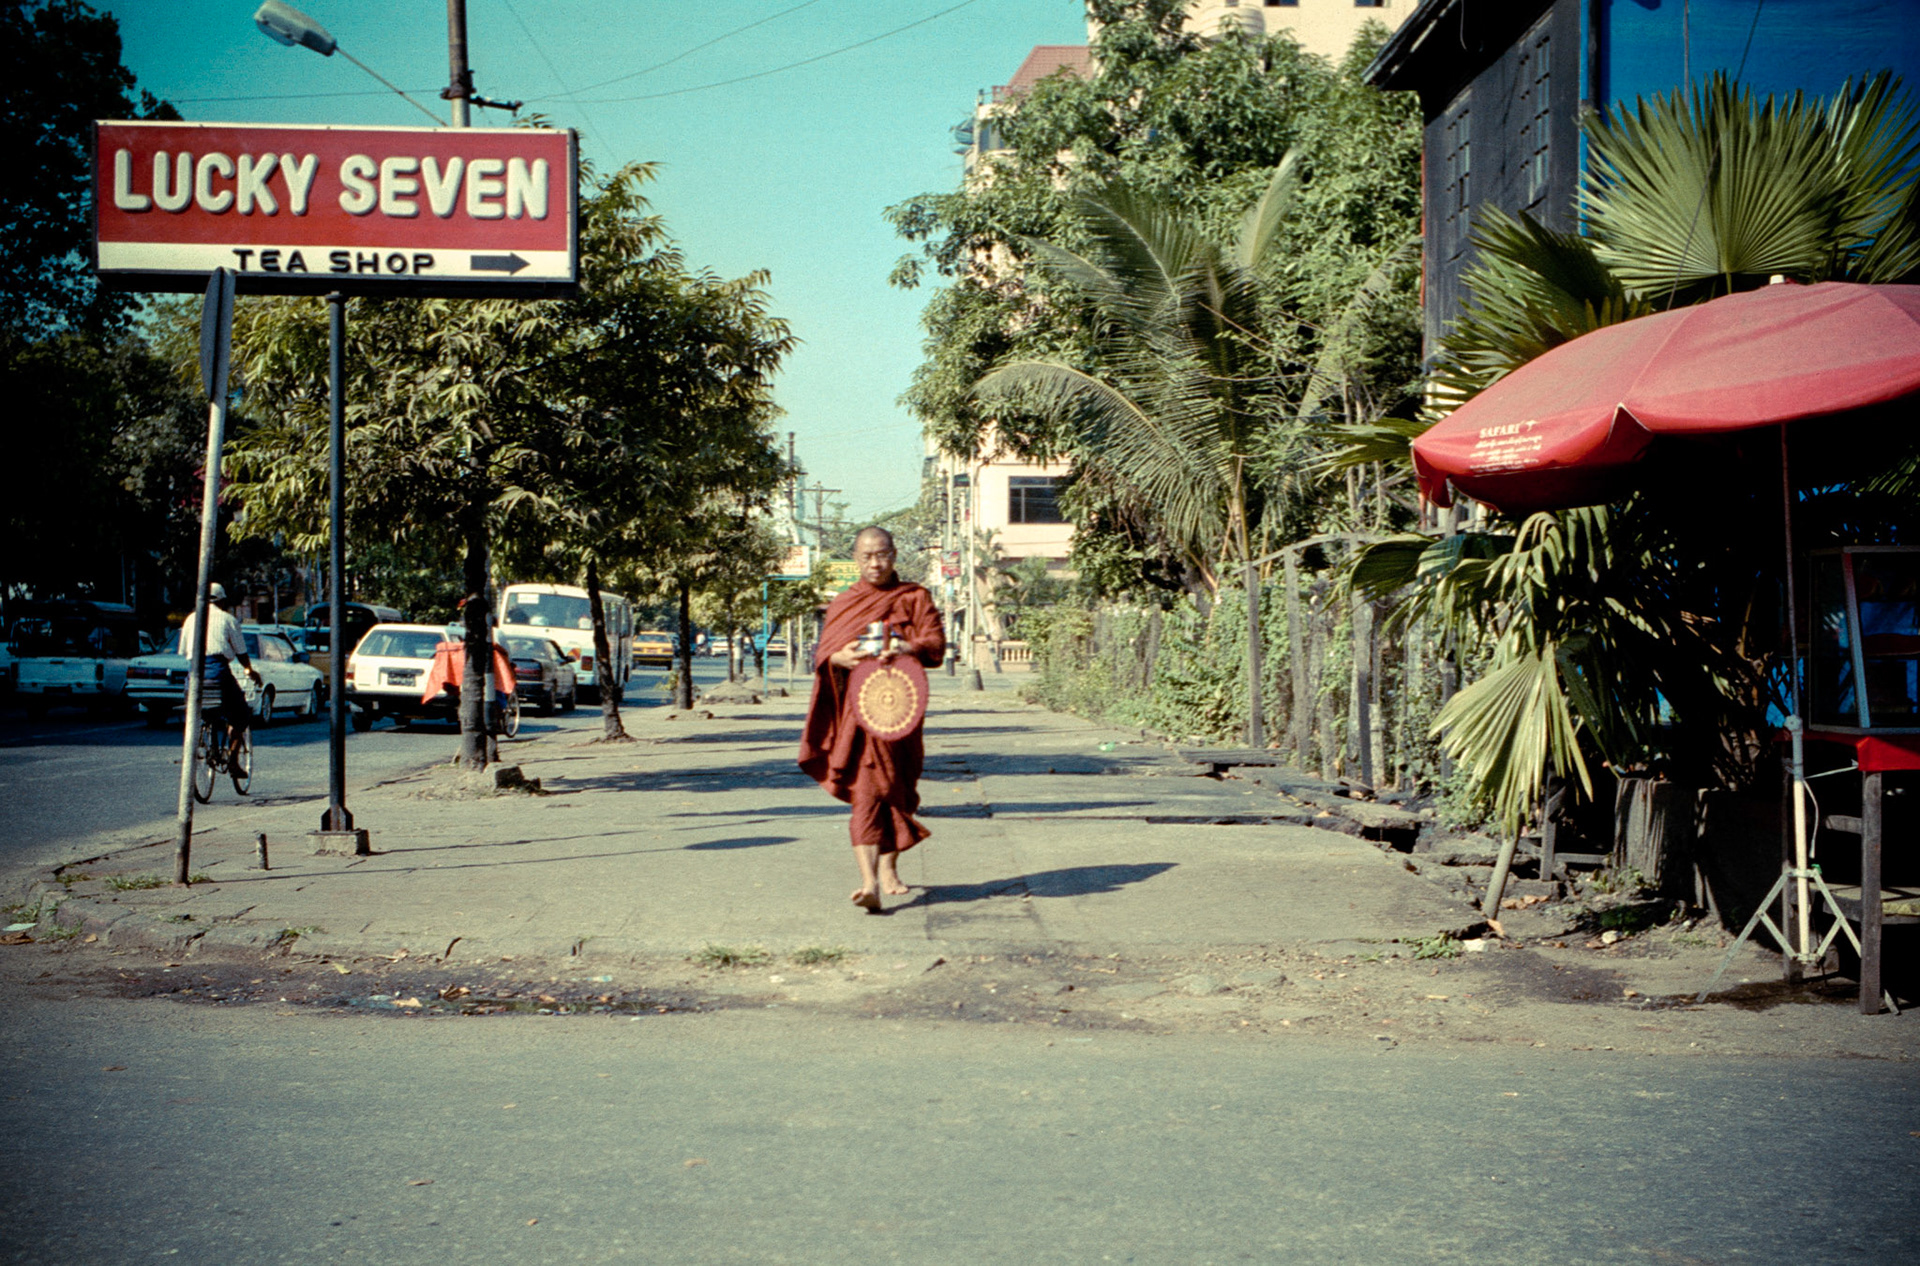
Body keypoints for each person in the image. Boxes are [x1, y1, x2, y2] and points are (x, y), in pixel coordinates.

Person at [798, 527, 947, 911]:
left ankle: (888, 869)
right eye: (866, 556)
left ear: (894, 555)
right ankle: (869, 884)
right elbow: (826, 654)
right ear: (856, 558)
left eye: (881, 555)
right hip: (859, 714)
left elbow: (935, 646)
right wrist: (837, 659)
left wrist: (906, 645)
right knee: (867, 792)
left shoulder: (914, 597)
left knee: (898, 790)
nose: (875, 563)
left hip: (900, 712)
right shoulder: (844, 602)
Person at [179, 582, 261, 762]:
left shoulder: (190, 619)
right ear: (222, 601)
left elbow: (184, 652)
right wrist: (251, 671)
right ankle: (233, 757)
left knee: (201, 710)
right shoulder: (227, 619)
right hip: (218, 673)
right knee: (241, 714)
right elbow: (241, 652)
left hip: (194, 676)